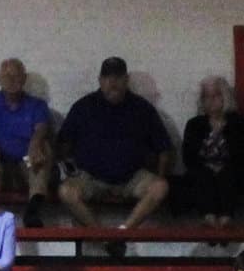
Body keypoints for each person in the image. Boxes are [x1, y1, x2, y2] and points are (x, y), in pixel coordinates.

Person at [56, 56, 173, 245]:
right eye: (108, 77)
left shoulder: (142, 109)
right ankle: (103, 237)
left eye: (118, 77)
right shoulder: (83, 107)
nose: (113, 82)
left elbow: (164, 148)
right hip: (90, 177)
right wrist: (70, 171)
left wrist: (160, 174)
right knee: (66, 191)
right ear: (100, 80)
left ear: (126, 80)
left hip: (132, 178)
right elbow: (63, 144)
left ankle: (123, 233)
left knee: (160, 187)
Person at [0, 57, 56, 224]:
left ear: (24, 79)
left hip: (27, 167)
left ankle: (33, 209)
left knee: (44, 146)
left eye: (16, 76)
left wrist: (35, 144)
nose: (12, 80)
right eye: (7, 76)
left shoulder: (37, 105)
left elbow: (41, 129)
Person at [181, 76, 244, 228]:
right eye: (206, 96)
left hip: (232, 170)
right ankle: (209, 219)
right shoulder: (195, 124)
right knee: (203, 174)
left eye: (216, 95)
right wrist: (209, 167)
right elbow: (188, 157)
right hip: (202, 171)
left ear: (225, 97)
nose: (211, 100)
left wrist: (221, 166)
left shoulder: (237, 122)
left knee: (228, 173)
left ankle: (226, 220)